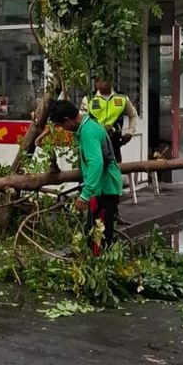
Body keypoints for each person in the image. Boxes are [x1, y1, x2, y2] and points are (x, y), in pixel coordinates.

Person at [48, 98, 123, 251]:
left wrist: (85, 194)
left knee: (99, 238)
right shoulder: (88, 126)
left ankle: (103, 269)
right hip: (102, 187)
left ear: (67, 119)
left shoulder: (88, 132)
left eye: (61, 125)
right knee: (94, 233)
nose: (61, 129)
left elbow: (96, 163)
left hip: (105, 189)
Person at [80, 78, 139, 163]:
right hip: (95, 143)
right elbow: (82, 121)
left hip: (114, 143)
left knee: (115, 171)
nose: (99, 83)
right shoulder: (89, 98)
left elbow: (133, 115)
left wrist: (130, 132)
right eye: (97, 80)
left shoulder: (122, 98)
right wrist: (101, 130)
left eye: (103, 79)